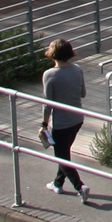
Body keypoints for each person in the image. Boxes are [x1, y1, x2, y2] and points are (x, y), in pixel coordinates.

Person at [39, 38, 89, 199]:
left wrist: (44, 125)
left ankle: (80, 187)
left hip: (61, 124)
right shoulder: (77, 69)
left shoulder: (49, 74)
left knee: (61, 156)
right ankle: (57, 184)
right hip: (77, 119)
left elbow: (47, 104)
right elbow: (83, 93)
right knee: (64, 152)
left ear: (53, 54)